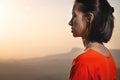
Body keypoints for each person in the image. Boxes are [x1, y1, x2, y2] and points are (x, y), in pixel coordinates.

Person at [68, 0, 117, 80]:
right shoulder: (108, 57)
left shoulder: (84, 62)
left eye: (74, 16)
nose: (70, 22)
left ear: (89, 18)